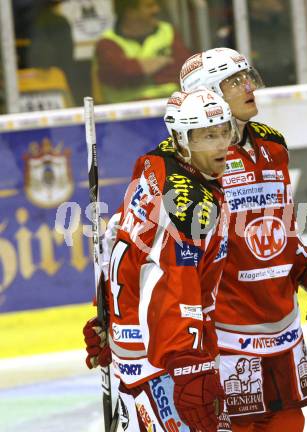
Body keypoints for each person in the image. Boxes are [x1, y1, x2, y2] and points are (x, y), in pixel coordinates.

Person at [85, 48, 307, 431]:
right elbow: (142, 250)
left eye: (247, 77)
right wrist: (111, 315)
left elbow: (280, 225)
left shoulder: (272, 147)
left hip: (282, 324)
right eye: (233, 81)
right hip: (222, 334)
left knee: (290, 422)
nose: (247, 87)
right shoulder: (179, 170)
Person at [84, 87, 240, 431]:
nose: (219, 145)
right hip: (165, 363)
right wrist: (187, 363)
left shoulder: (153, 170)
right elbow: (171, 283)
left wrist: (110, 320)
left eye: (223, 132)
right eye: (206, 136)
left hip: (137, 354)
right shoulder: (189, 204)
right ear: (182, 139)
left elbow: (120, 247)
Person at [92, 0, 192, 103]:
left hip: (171, 107)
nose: (157, 9)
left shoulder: (168, 31)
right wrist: (162, 64)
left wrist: (137, 69)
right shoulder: (107, 42)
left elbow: (186, 70)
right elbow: (120, 76)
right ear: (130, 12)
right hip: (128, 112)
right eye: (149, 6)